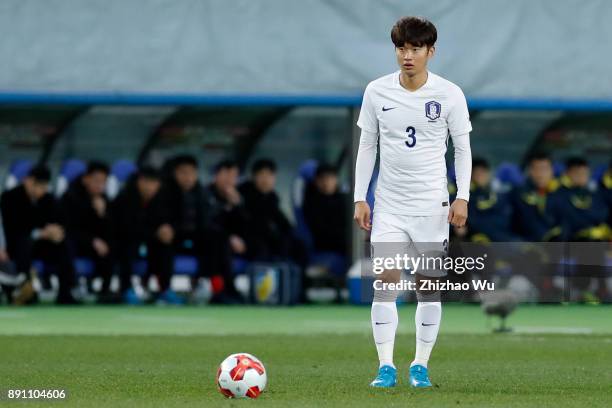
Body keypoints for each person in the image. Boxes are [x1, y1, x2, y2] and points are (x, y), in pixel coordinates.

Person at [353, 16, 472, 388]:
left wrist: (463, 196)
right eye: (402, 48)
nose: (407, 55)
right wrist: (361, 196)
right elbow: (367, 146)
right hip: (389, 206)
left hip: (432, 208)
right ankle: (385, 366)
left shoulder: (449, 94)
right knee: (385, 281)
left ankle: (419, 365)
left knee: (427, 285)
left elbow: (463, 150)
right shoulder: (376, 91)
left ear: (430, 52)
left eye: (415, 49)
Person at [156, 155, 242, 303]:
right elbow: (157, 216)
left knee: (218, 238)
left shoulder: (202, 193)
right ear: (175, 173)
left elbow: (210, 220)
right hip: (173, 236)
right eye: (183, 172)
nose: (188, 177)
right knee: (163, 242)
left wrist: (234, 206)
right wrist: (162, 226)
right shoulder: (164, 192)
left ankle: (218, 288)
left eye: (191, 173)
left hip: (196, 238)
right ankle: (165, 290)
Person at [0, 165, 78, 304]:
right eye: (40, 186)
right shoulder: (9, 198)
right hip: (16, 245)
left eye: (45, 186)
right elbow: (13, 229)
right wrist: (40, 233)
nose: (43, 190)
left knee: (63, 244)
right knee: (24, 242)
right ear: (28, 181)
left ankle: (65, 292)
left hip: (41, 244)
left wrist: (56, 231)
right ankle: (25, 289)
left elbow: (60, 220)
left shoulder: (48, 199)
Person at [112, 166, 174, 304]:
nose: (151, 187)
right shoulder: (124, 198)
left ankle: (165, 289)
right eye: (148, 182)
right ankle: (126, 289)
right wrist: (154, 232)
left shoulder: (160, 200)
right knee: (126, 247)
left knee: (165, 245)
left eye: (155, 183)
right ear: (139, 182)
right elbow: (125, 229)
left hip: (148, 241)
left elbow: (163, 221)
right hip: (124, 240)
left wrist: (166, 229)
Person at [61, 161, 115, 299]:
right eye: (97, 181)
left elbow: (109, 230)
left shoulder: (103, 199)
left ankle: (105, 290)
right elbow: (69, 228)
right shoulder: (70, 197)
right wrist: (92, 240)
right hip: (75, 241)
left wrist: (102, 214)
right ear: (86, 179)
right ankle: (68, 291)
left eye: (103, 182)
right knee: (66, 246)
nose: (100, 185)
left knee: (113, 245)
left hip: (94, 244)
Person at [239, 159, 305, 264]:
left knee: (296, 243)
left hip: (266, 238)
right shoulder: (244, 194)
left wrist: (292, 232)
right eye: (261, 175)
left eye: (269, 175)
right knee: (263, 247)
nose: (265, 180)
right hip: (249, 238)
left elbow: (281, 220)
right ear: (253, 177)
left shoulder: (272, 197)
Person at [206, 160, 252, 260]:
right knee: (220, 243)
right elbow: (209, 222)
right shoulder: (206, 194)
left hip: (235, 241)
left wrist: (237, 206)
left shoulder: (239, 196)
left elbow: (246, 224)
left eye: (234, 176)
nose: (230, 180)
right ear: (216, 175)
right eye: (226, 174)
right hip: (214, 239)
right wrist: (229, 238)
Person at [510, 152, 560, 241]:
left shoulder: (561, 194)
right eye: (536, 169)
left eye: (544, 169)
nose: (540, 174)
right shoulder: (517, 194)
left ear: (552, 171)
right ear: (529, 171)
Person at [467, 158, 520, 242]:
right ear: (470, 175)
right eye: (477, 174)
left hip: (504, 238)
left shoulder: (500, 195)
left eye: (484, 173)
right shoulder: (465, 198)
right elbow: (474, 223)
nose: (481, 177)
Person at [303, 164, 349, 256]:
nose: (326, 182)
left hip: (348, 242)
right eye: (322, 178)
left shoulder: (345, 200)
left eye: (330, 178)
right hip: (327, 245)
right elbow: (320, 231)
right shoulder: (312, 203)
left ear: (336, 180)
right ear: (316, 181)